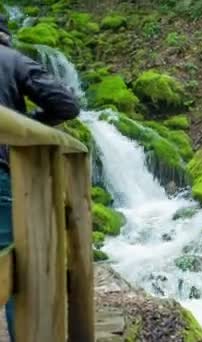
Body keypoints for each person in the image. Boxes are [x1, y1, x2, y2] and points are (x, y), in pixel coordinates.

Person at [0, 15, 80, 341]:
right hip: (2, 175)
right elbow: (66, 105)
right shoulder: (12, 60)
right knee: (13, 262)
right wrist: (27, 122)